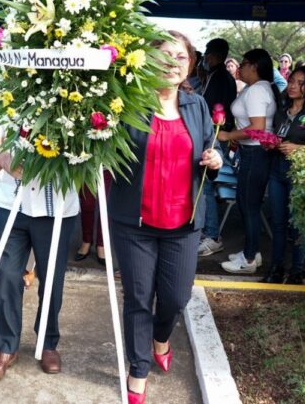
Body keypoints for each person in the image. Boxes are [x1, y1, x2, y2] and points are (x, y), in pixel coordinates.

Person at [108, 31, 222, 403]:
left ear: (190, 64)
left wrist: (214, 158)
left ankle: (161, 337)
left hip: (183, 223)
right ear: (149, 60)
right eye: (166, 55)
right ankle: (138, 370)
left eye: (182, 56)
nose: (175, 62)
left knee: (175, 296)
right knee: (139, 297)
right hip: (134, 223)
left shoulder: (196, 105)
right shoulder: (127, 103)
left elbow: (208, 146)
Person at [0, 72, 80, 383]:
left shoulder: (73, 80)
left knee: (51, 278)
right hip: (12, 200)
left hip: (57, 204)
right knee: (7, 275)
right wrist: (3, 159)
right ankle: (5, 347)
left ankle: (48, 343)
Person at [263, 67, 305, 284]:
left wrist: (300, 149)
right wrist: (270, 143)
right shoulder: (283, 110)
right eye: (291, 80)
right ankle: (276, 268)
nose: (293, 85)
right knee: (278, 222)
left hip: (300, 174)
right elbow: (278, 136)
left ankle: (297, 270)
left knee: (298, 224)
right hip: (277, 171)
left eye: (300, 82)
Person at [217, 49, 279, 275]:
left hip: (255, 154)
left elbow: (257, 127)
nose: (239, 68)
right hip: (251, 153)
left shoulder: (256, 91)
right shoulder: (258, 89)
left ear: (254, 66)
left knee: (249, 206)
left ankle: (249, 258)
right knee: (246, 203)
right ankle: (250, 251)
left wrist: (228, 136)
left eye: (243, 64)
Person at [196, 39, 237, 258]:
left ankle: (212, 234)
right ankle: (208, 231)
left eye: (207, 56)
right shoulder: (216, 75)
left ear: (214, 56)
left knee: (207, 185)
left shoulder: (221, 77)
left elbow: (210, 107)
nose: (205, 60)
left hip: (216, 134)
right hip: (217, 132)